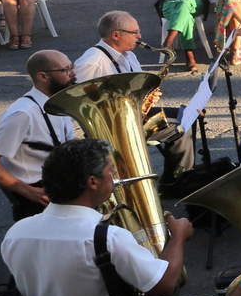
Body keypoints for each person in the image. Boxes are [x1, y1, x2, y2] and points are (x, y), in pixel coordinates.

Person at [2, 138, 195, 296]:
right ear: (92, 182)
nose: (114, 176)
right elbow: (165, 284)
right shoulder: (106, 237)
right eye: (110, 171)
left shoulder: (16, 233)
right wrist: (179, 236)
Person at [75, 10, 197, 187]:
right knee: (181, 127)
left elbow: (134, 90)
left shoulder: (129, 55)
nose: (139, 36)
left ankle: (176, 179)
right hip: (112, 126)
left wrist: (147, 95)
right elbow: (77, 102)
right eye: (134, 33)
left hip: (132, 114)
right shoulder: (91, 62)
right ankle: (176, 185)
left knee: (185, 115)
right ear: (115, 35)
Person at [0, 50, 81, 220]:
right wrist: (29, 192)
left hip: (58, 181)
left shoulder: (57, 102)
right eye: (65, 70)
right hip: (36, 197)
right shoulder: (22, 114)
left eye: (71, 67)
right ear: (43, 76)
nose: (73, 74)